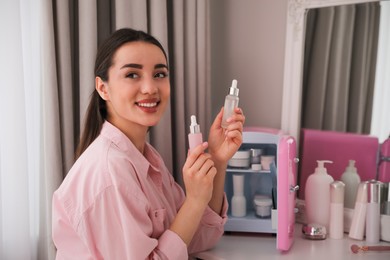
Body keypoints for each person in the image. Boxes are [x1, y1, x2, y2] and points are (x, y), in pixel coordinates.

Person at [52, 28, 245, 259]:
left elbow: (198, 238)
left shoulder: (146, 157)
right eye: (132, 74)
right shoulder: (109, 173)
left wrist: (217, 159)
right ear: (103, 88)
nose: (150, 88)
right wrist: (193, 200)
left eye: (159, 74)